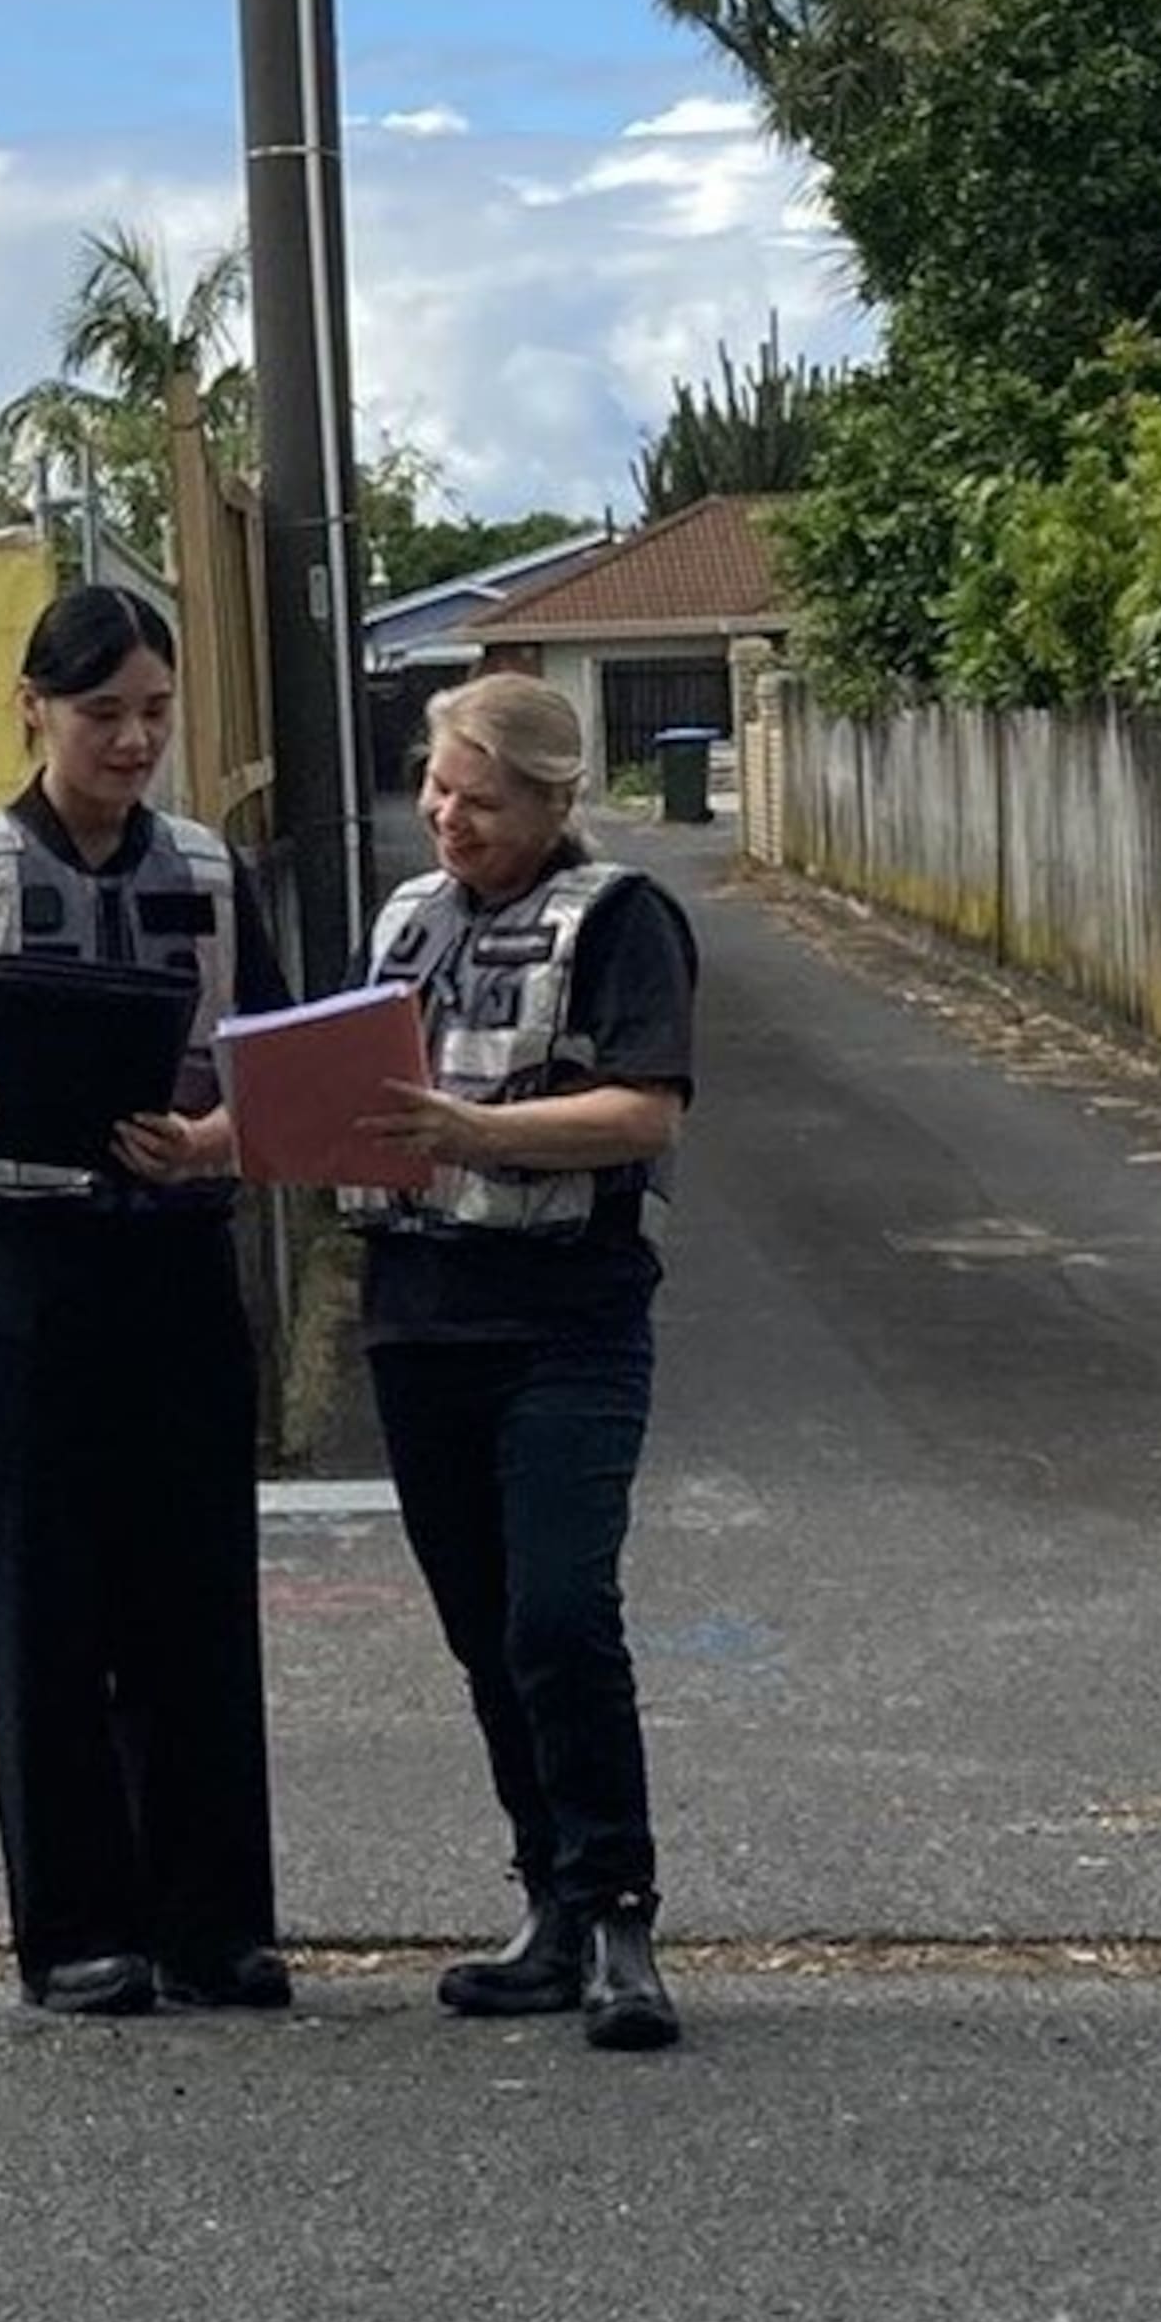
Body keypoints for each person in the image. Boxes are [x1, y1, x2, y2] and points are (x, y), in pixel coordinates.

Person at [0, 584, 291, 2020]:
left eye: (156, 713)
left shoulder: (213, 872)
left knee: (195, 1589)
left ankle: (217, 1922)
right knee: (42, 1595)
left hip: (173, 1259)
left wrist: (219, 1141)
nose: (135, 740)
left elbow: (284, 1070)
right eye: (104, 714)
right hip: (20, 1268)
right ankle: (79, 1928)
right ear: (32, 706)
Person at [347, 671, 697, 2051]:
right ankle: (548, 1899)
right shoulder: (404, 922)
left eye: (480, 798)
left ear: (555, 801)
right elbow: (348, 1097)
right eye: (438, 787)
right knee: (488, 1630)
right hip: (419, 1314)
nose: (447, 815)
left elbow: (646, 1110)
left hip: (567, 1316)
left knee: (560, 1613)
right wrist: (215, 1137)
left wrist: (478, 1133)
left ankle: (619, 1908)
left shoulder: (623, 920)